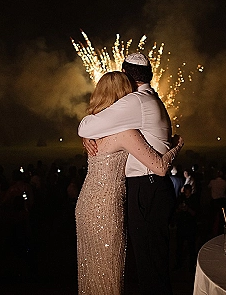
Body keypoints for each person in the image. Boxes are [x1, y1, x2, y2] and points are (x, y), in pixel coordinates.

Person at [76, 70, 184, 295]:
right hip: (106, 208)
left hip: (86, 204)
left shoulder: (94, 132)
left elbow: (90, 127)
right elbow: (161, 167)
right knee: (109, 272)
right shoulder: (125, 131)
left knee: (91, 271)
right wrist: (176, 146)